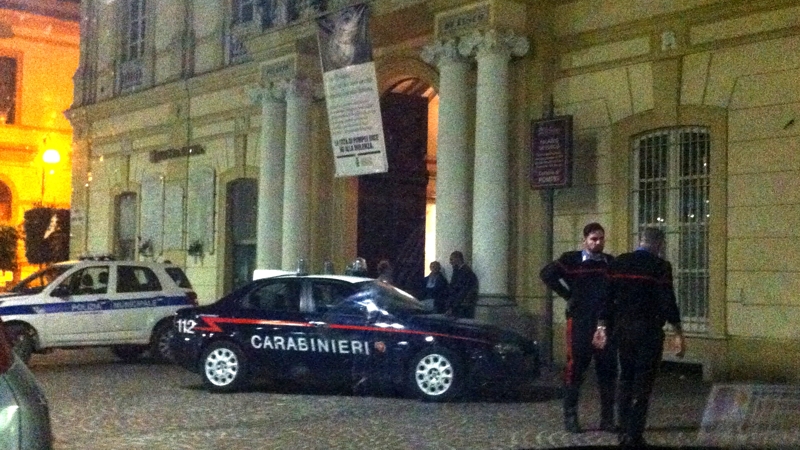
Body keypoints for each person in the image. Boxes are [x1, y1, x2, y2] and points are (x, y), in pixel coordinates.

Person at [593, 227, 686, 448]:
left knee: (625, 378)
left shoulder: (618, 263)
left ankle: (623, 430)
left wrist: (601, 326)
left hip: (622, 331)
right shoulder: (660, 267)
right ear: (658, 244)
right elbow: (667, 300)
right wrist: (678, 332)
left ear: (640, 241)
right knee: (643, 383)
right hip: (648, 331)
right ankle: (635, 435)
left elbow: (606, 298)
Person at [539, 222, 617, 433]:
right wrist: (568, 295)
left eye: (601, 238)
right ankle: (570, 415)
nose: (598, 242)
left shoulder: (610, 262)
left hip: (605, 322)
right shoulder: (571, 260)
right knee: (575, 369)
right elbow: (547, 274)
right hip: (581, 322)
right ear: (585, 240)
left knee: (607, 370)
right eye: (593, 239)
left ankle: (607, 418)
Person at [446, 251, 478, 318]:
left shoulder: (466, 272)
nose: (450, 262)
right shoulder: (457, 271)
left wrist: (453, 306)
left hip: (462, 305)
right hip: (458, 304)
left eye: (452, 259)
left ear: (458, 258)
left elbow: (462, 290)